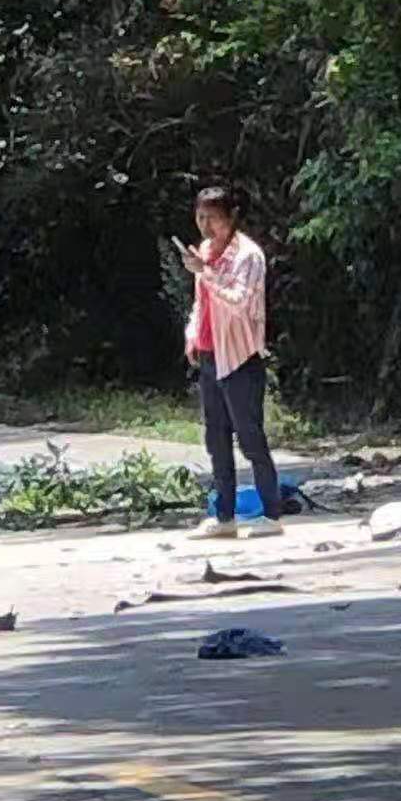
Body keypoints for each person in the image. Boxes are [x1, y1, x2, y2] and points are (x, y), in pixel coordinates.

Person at [179, 186, 282, 539]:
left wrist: (206, 272)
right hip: (210, 354)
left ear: (230, 217)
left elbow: (238, 302)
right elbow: (200, 304)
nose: (205, 226)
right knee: (216, 439)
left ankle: (271, 515)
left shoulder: (248, 257)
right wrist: (192, 333)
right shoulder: (205, 252)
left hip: (240, 357)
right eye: (200, 216)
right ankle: (224, 516)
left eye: (212, 217)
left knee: (250, 438)